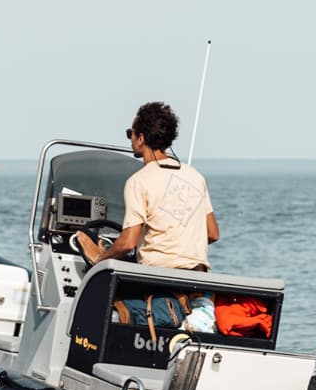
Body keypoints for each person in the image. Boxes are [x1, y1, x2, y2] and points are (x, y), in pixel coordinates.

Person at [76, 101, 219, 271]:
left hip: (158, 277)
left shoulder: (139, 181)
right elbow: (212, 233)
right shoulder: (195, 176)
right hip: (198, 277)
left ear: (141, 138)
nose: (130, 139)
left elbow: (128, 243)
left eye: (130, 133)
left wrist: (100, 258)